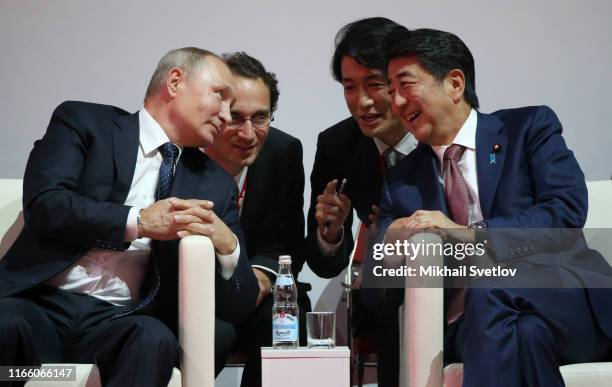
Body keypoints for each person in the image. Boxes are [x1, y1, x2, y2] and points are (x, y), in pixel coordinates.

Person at [0, 47, 259, 387]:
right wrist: (139, 221)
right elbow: (46, 204)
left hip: (121, 320)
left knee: (153, 339)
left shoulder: (214, 183)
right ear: (176, 81)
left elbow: (239, 306)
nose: (228, 115)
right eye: (220, 96)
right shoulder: (84, 124)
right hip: (38, 305)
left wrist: (228, 248)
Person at [377, 27, 612, 386]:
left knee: (490, 288)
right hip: (473, 326)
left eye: (406, 85)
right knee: (526, 335)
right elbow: (380, 268)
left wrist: (472, 236)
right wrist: (392, 240)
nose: (396, 102)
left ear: (455, 83)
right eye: (391, 91)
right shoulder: (403, 178)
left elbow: (564, 211)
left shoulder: (527, 128)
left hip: (565, 303)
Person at [304, 17, 417, 387]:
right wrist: (331, 233)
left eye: (375, 85)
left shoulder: (437, 132)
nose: (362, 102)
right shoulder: (338, 145)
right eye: (350, 87)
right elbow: (323, 263)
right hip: (379, 288)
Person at [205, 51, 310, 386]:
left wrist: (263, 279)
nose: (249, 134)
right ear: (214, 113)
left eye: (261, 118)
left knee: (286, 319)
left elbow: (289, 241)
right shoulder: (183, 156)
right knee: (211, 337)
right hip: (199, 292)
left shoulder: (283, 152)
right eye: (236, 117)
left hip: (258, 288)